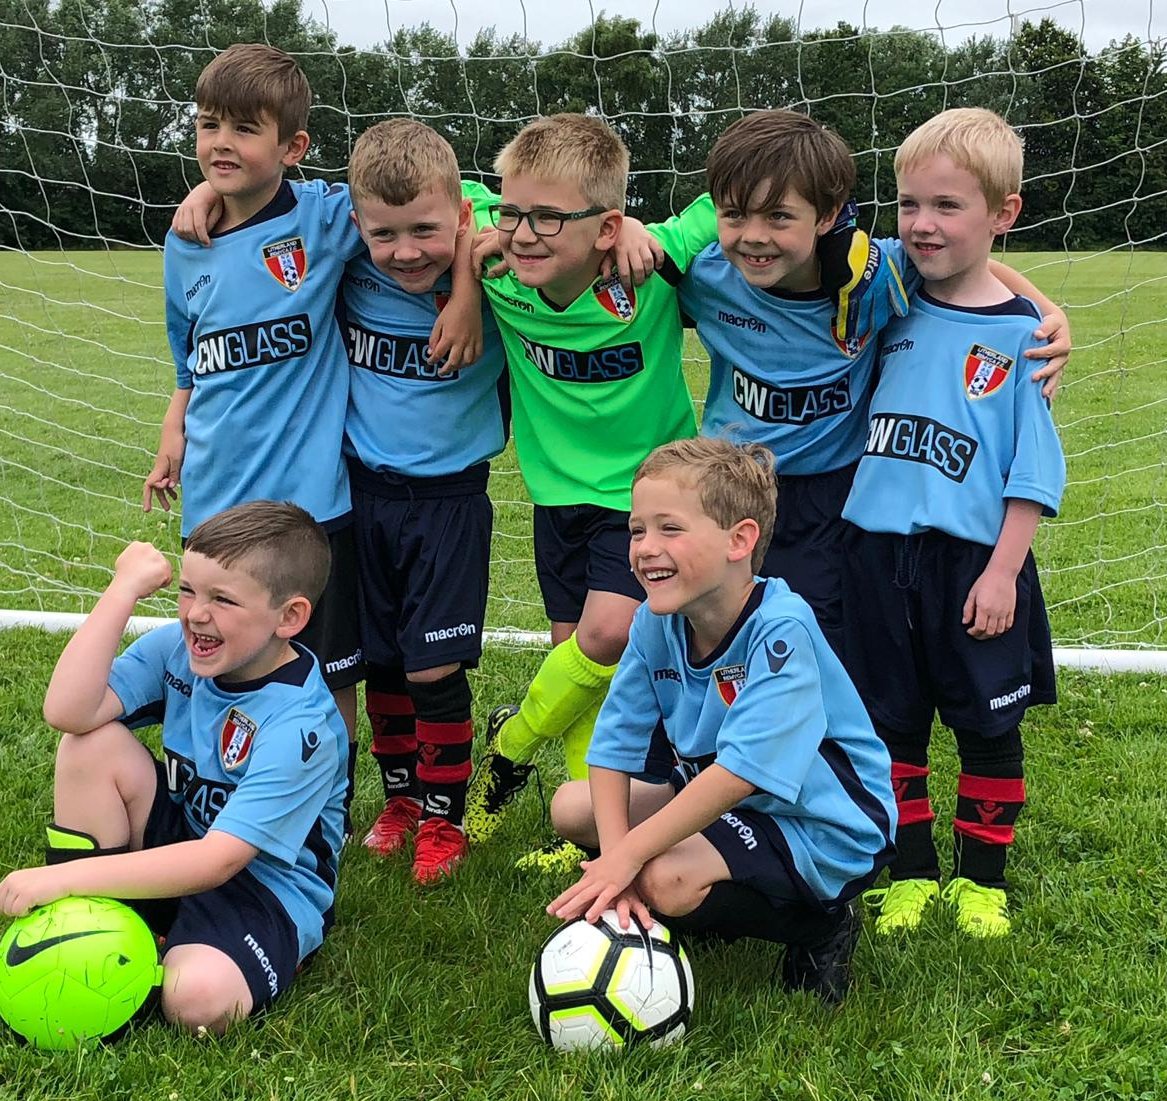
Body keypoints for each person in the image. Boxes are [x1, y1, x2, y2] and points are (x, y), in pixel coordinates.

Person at [461, 113, 894, 871]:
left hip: (654, 499)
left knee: (613, 635)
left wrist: (646, 236)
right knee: (587, 662)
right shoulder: (503, 260)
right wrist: (468, 280)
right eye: (513, 215)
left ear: (607, 226)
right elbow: (441, 194)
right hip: (554, 494)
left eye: (546, 218)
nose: (524, 232)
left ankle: (510, 745)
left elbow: (709, 209)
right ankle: (595, 832)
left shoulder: (655, 274)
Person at [145, 44, 479, 827]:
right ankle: (212, 793)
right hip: (215, 503)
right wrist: (172, 424)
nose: (221, 143)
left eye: (244, 129)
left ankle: (324, 809)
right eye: (208, 126)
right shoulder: (185, 243)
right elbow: (188, 352)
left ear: (293, 146)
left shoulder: (327, 219)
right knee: (220, 651)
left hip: (312, 507)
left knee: (329, 670)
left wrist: (464, 288)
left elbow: (449, 205)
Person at [676, 110, 1069, 656]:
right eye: (736, 215)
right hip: (730, 481)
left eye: (779, 216)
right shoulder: (705, 277)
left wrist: (1048, 312)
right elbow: (631, 266)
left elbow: (968, 265)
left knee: (817, 641)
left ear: (825, 217)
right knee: (714, 628)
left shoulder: (876, 276)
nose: (755, 236)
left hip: (834, 491)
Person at [546, 438, 896, 1005]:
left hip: (819, 824)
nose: (645, 548)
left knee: (664, 879)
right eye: (637, 530)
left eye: (670, 529)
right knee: (572, 807)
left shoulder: (781, 631)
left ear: (740, 540)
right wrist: (614, 864)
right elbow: (612, 748)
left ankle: (823, 924)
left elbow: (740, 775)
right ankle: (705, 899)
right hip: (727, 804)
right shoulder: (654, 622)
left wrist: (630, 861)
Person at [840, 108, 1066, 939]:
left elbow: (1030, 472)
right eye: (908, 204)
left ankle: (982, 881)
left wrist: (1003, 572)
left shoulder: (1023, 337)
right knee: (888, 722)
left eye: (946, 205)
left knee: (986, 726)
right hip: (875, 553)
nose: (921, 224)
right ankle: (909, 873)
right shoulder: (888, 301)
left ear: (1003, 214)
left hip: (974, 562)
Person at [0, 501, 349, 1033]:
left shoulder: (301, 728)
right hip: (181, 842)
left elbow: (218, 861)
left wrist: (61, 879)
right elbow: (68, 711)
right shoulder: (178, 652)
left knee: (198, 1001)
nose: (195, 614)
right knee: (87, 746)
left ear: (290, 617)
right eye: (188, 590)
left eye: (222, 599)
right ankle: (100, 921)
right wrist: (122, 591)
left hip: (261, 887)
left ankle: (242, 952)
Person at [342, 119, 507, 882]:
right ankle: (401, 801)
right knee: (381, 661)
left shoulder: (497, 259)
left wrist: (468, 284)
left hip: (449, 500)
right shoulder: (349, 254)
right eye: (385, 234)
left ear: (461, 217)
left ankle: (445, 817)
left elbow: (503, 212)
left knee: (433, 667)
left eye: (424, 232)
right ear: (359, 225)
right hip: (362, 494)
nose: (405, 251)